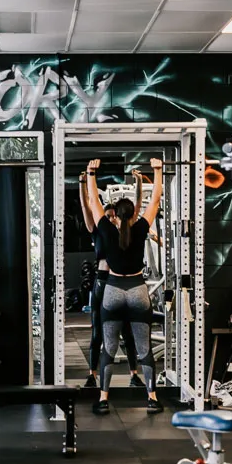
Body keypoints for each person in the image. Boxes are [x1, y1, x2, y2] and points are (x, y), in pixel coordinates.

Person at [86, 157, 163, 415]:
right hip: (138, 291)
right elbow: (154, 202)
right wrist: (158, 171)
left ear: (116, 216)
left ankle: (104, 399)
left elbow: (94, 202)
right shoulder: (141, 228)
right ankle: (152, 398)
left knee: (109, 348)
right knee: (144, 348)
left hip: (113, 290)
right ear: (132, 214)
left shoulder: (107, 230)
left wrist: (91, 173)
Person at [79, 170, 145, 389]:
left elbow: (136, 208)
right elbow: (88, 206)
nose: (110, 219)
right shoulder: (99, 231)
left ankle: (134, 374)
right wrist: (83, 183)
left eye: (112, 216)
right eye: (106, 217)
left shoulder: (125, 234)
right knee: (98, 331)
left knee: (127, 331)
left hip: (120, 283)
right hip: (102, 282)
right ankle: (92, 374)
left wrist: (138, 182)